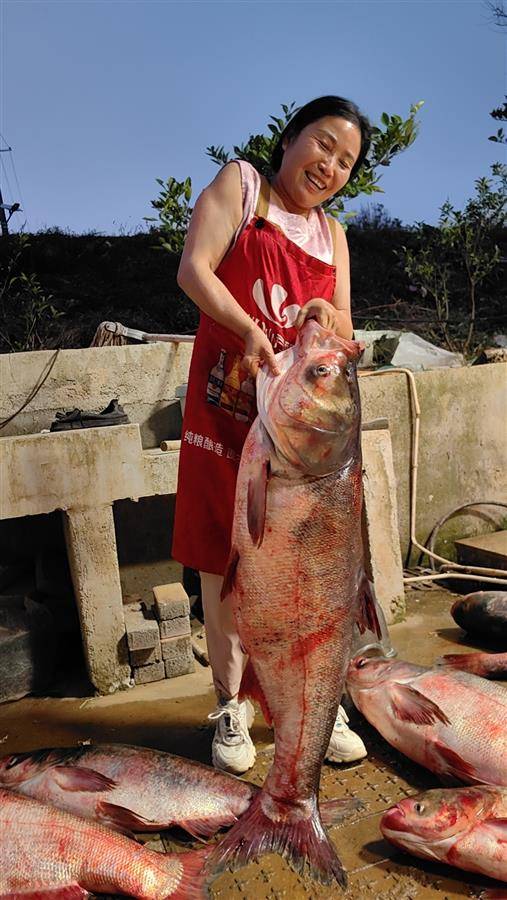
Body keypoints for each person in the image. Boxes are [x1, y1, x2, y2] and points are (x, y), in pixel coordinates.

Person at [173, 95, 372, 774]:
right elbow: (194, 269)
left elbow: (342, 328)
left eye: (345, 161)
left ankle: (312, 701)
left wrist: (326, 317)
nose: (329, 166)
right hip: (226, 409)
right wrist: (248, 331)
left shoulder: (333, 235)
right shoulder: (242, 186)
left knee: (303, 567)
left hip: (298, 430)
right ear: (289, 139)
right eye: (322, 144)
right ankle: (231, 703)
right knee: (221, 561)